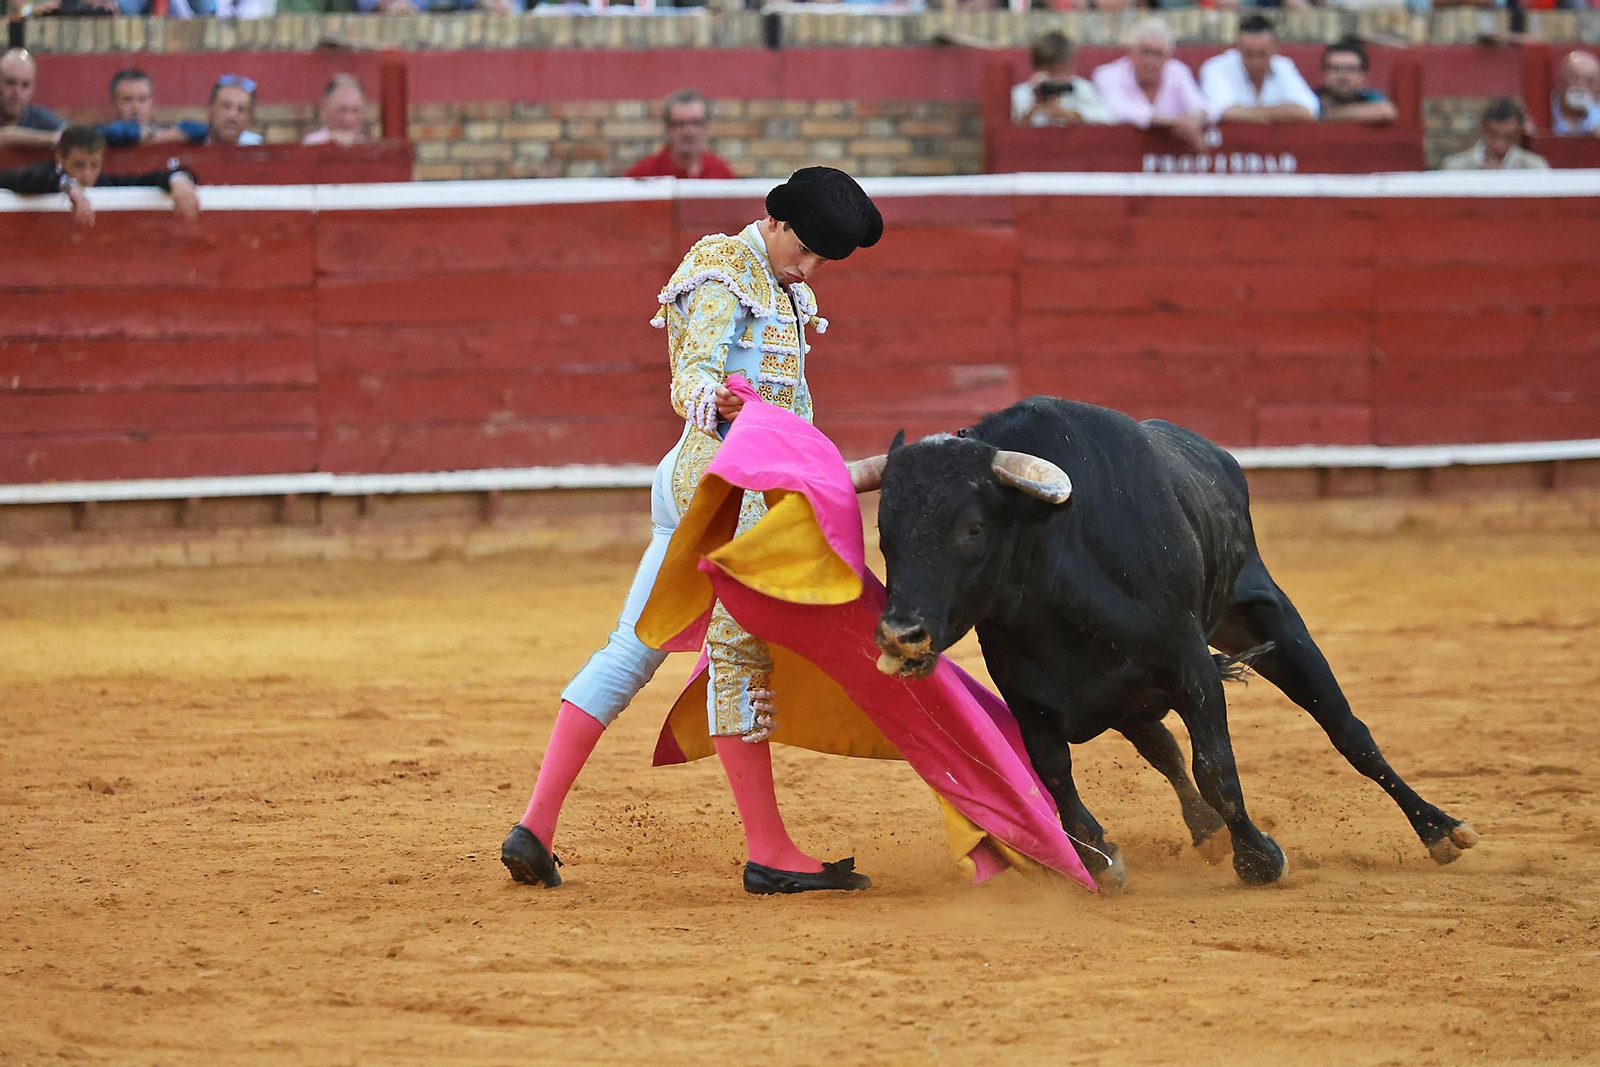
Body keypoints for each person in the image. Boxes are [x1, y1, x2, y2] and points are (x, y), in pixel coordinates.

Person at [501, 167, 883, 896]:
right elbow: (694, 375)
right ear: (774, 221)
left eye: (823, 260)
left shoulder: (784, 287)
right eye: (805, 248)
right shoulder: (723, 266)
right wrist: (722, 399)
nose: (810, 269)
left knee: (634, 645)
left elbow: (790, 408)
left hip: (730, 483)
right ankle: (770, 851)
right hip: (723, 487)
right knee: (740, 655)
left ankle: (535, 827)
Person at [0, 124, 201, 228]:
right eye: (78, 165)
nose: (87, 175)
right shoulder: (42, 176)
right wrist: (68, 185)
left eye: (94, 165)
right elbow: (18, 179)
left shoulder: (104, 182)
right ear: (60, 157)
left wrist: (178, 178)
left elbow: (148, 179)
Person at [1090, 17, 1207, 150]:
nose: (1150, 61)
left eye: (1158, 54)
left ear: (1168, 56)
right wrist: (1175, 123)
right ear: (1131, 52)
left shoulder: (1177, 71)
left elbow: (1199, 106)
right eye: (1145, 52)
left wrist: (1193, 122)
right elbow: (1119, 110)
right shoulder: (1107, 75)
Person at [1198, 15, 1319, 124]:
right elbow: (1222, 112)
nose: (1256, 62)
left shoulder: (1283, 65)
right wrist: (1281, 114)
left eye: (1262, 54)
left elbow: (1309, 110)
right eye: (1248, 54)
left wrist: (1250, 114)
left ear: (1275, 49)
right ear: (1237, 48)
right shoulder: (1215, 67)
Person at [623, 89, 736, 180]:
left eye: (696, 123)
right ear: (668, 128)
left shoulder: (720, 173)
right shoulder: (644, 175)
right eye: (680, 124)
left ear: (706, 125)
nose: (689, 131)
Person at [1011, 31, 1112, 128]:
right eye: (1051, 71)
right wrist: (1033, 109)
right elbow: (1010, 129)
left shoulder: (1080, 88)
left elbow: (1107, 118)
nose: (1058, 77)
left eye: (1063, 70)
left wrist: (1068, 115)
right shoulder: (1022, 93)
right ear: (1037, 69)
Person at [1441, 98, 1550, 170]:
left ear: (1518, 135)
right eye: (1493, 135)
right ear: (1483, 129)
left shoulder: (1535, 167)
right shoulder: (1455, 167)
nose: (1499, 144)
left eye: (1509, 138)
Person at [99, 69, 193, 148]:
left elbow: (198, 130)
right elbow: (112, 133)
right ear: (114, 104)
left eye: (142, 100)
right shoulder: (103, 133)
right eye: (127, 100)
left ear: (152, 103)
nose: (135, 108)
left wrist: (159, 135)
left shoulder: (165, 131)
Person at [1316, 39, 1399, 125]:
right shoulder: (1312, 98)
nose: (1343, 76)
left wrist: (1331, 114)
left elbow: (1386, 112)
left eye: (1351, 69)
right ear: (1324, 74)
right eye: (1335, 68)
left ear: (1363, 76)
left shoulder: (1369, 96)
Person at [173, 75, 264, 147]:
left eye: (241, 110)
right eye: (225, 106)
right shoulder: (188, 142)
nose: (232, 115)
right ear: (210, 109)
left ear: (250, 117)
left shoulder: (258, 150)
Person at [0, 49, 63, 151]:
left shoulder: (41, 117)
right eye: (10, 82)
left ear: (33, 88)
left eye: (25, 85)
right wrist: (51, 139)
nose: (17, 92)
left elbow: (72, 136)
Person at [302, 75, 368, 146]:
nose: (349, 119)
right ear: (324, 110)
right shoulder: (312, 145)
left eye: (355, 110)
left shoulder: (367, 146)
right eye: (342, 110)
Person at [1550, 50, 1600, 136]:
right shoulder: (1542, 109)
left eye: (1590, 81)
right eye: (1574, 77)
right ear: (1560, 79)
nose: (1581, 85)